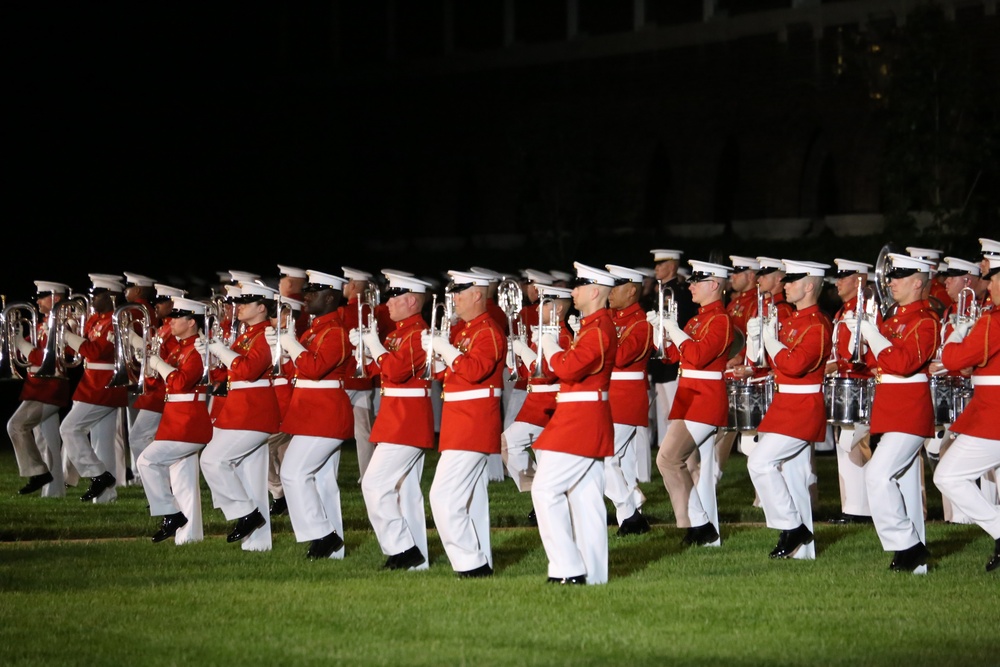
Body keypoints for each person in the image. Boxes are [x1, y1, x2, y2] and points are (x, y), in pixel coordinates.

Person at [846, 253, 940, 574]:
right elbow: (874, 363)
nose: (891, 281)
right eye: (891, 275)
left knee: (877, 474)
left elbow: (902, 363)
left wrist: (872, 335)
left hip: (910, 408)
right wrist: (858, 338)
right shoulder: (895, 318)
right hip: (890, 406)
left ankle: (908, 546)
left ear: (918, 282)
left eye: (900, 276)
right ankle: (912, 558)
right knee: (906, 485)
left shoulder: (926, 320)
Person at [530, 261, 618, 585]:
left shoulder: (597, 328)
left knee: (545, 490)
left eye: (579, 286)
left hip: (579, 421)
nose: (573, 291)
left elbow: (569, 369)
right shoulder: (593, 326)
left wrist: (550, 346)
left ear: (594, 291)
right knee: (585, 497)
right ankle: (593, 574)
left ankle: (568, 567)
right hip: (582, 417)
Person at [422, 269, 507, 578]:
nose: (454, 298)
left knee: (442, 496)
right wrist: (437, 356)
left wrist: (446, 350)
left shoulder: (488, 331)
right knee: (469, 500)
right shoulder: (466, 331)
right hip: (462, 423)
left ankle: (470, 563)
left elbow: (474, 371)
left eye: (460, 292)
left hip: (472, 424)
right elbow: (448, 375)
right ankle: (479, 558)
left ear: (476, 295)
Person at [746, 260, 833, 560]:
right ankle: (803, 551)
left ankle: (791, 527)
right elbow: (766, 363)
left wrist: (770, 340)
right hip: (785, 404)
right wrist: (756, 337)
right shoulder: (794, 321)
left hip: (802, 406)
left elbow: (794, 365)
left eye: (792, 280)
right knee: (794, 477)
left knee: (759, 463)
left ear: (809, 285)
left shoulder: (818, 324)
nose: (785, 284)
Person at [270, 270, 354, 560]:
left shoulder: (336, 332)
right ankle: (331, 546)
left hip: (325, 414)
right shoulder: (315, 330)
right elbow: (297, 370)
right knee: (321, 482)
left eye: (313, 292)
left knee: (293, 473)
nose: (306, 297)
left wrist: (290, 343)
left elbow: (316, 368)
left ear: (330, 297)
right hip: (312, 413)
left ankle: (323, 535)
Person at [650, 260, 733, 547]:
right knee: (691, 465)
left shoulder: (721, 320)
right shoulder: (697, 319)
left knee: (668, 459)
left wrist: (674, 329)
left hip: (704, 397)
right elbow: (672, 356)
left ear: (714, 285)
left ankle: (698, 524)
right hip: (689, 394)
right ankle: (702, 531)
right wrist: (660, 331)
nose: (691, 286)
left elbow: (696, 355)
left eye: (698, 281)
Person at [357, 270, 436, 570]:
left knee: (374, 484)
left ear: (412, 301)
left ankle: (403, 549)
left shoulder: (418, 333)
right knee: (405, 492)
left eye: (394, 296)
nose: (387, 302)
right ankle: (417, 560)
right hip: (397, 418)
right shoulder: (398, 333)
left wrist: (375, 347)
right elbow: (382, 370)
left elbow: (398, 370)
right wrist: (365, 351)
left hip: (407, 421)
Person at [197, 281, 282, 551]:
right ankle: (257, 544)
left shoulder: (267, 334)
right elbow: (228, 375)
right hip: (240, 409)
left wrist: (221, 350)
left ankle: (246, 513)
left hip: (253, 412)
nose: (239, 307)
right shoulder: (248, 334)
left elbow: (248, 370)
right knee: (250, 476)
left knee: (212, 460)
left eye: (246, 303)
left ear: (261, 307)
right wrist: (209, 357)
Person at [933, 255, 1000, 573]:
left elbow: (960, 357)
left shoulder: (995, 319)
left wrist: (956, 338)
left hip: (994, 413)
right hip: (988, 408)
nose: (988, 284)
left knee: (947, 475)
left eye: (992, 277)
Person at [135, 297, 214, 544]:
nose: (171, 321)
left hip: (188, 423)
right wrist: (148, 367)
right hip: (176, 420)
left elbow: (180, 383)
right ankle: (189, 537)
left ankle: (170, 513)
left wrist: (158, 362)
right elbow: (161, 385)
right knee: (184, 482)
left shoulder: (199, 348)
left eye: (177, 317)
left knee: (147, 461)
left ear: (192, 322)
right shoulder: (180, 347)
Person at [501, 284, 574, 520]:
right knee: (542, 455)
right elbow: (529, 372)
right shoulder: (544, 331)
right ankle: (545, 498)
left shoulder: (561, 335)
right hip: (536, 399)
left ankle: (542, 492)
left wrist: (524, 352)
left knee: (508, 443)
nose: (539, 307)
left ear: (559, 308)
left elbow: (549, 371)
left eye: (546, 303)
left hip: (548, 401)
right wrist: (515, 357)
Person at [58, 275, 130, 503]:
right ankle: (107, 496)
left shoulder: (117, 321)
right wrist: (69, 333)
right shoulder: (96, 320)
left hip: (104, 384)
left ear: (110, 295)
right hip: (93, 382)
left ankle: (98, 474)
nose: (93, 298)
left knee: (69, 428)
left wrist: (67, 336)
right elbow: (80, 352)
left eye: (97, 294)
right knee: (103, 442)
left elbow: (96, 351)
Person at [6, 280, 72, 496]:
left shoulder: (64, 324)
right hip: (37, 386)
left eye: (42, 296)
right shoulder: (42, 323)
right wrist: (11, 340)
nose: (37, 300)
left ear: (56, 298)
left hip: (50, 387)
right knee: (46, 441)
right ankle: (53, 491)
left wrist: (21, 344)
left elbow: (48, 359)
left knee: (16, 426)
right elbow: (25, 353)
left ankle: (38, 472)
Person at [823, 259, 877, 525]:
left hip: (861, 384)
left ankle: (862, 508)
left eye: (844, 277)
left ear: (859, 280)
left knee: (854, 444)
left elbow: (866, 353)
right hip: (843, 383)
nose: (837, 282)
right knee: (844, 446)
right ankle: (852, 507)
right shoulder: (844, 311)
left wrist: (835, 365)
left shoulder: (868, 309)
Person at [604, 264, 655, 536]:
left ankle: (630, 510)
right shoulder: (611, 317)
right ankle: (631, 518)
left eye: (616, 287)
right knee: (620, 462)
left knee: (605, 458)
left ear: (632, 290)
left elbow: (622, 357)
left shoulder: (641, 322)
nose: (609, 293)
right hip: (611, 395)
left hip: (626, 396)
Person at [124, 283, 186, 487]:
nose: (156, 305)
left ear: (174, 303)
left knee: (139, 437)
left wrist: (135, 341)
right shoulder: (163, 327)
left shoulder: (174, 329)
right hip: (156, 388)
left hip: (162, 390)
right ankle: (160, 481)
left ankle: (155, 482)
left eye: (161, 301)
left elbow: (171, 359)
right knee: (151, 438)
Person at [645, 249, 696, 483]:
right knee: (666, 413)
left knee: (675, 414)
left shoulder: (679, 293)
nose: (656, 268)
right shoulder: (659, 292)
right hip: (661, 362)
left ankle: (678, 458)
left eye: (662, 264)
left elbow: (682, 324)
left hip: (674, 360)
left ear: (673, 266)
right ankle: (669, 459)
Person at [265, 293, 305, 518]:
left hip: (291, 406)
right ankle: (281, 497)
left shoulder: (299, 339)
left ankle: (282, 496)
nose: (274, 321)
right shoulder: (269, 337)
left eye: (280, 315)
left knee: (266, 448)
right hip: (273, 406)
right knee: (279, 455)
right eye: (273, 316)